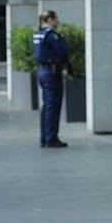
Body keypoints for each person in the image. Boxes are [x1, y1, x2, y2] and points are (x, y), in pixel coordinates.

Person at [33, 10, 69, 148]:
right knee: (53, 105)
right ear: (50, 19)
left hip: (42, 71)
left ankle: (45, 136)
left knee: (47, 106)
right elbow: (62, 51)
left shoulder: (38, 34)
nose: (57, 21)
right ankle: (51, 137)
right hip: (52, 72)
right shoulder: (51, 35)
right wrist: (63, 40)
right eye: (56, 18)